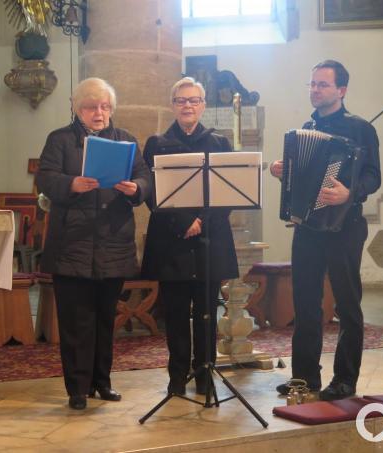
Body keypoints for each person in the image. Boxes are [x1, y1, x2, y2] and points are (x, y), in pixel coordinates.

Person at [35, 77, 151, 410]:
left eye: (104, 107)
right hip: (72, 244)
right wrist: (72, 183)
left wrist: (136, 189)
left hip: (113, 242)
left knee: (104, 319)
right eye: (90, 107)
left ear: (111, 109)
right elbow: (45, 178)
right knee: (75, 322)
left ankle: (103, 382)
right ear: (77, 109)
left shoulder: (125, 140)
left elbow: (145, 177)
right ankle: (77, 387)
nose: (98, 113)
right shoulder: (60, 140)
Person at [270, 60, 381, 401]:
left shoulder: (361, 129)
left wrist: (350, 193)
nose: (315, 90)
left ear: (341, 91)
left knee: (347, 306)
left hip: (346, 227)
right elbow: (300, 179)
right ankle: (305, 377)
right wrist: (282, 171)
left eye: (322, 85)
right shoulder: (305, 129)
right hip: (309, 228)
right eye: (312, 84)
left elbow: (373, 177)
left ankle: (345, 380)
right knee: (305, 304)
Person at [141, 77, 238, 396]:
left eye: (194, 100)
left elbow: (228, 191)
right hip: (172, 240)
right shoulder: (157, 143)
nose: (188, 106)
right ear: (172, 105)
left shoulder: (220, 143)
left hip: (210, 239)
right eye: (182, 100)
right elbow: (152, 192)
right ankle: (177, 375)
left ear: (203, 105)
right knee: (177, 312)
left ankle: (205, 371)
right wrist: (184, 221)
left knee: (208, 310)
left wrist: (201, 221)